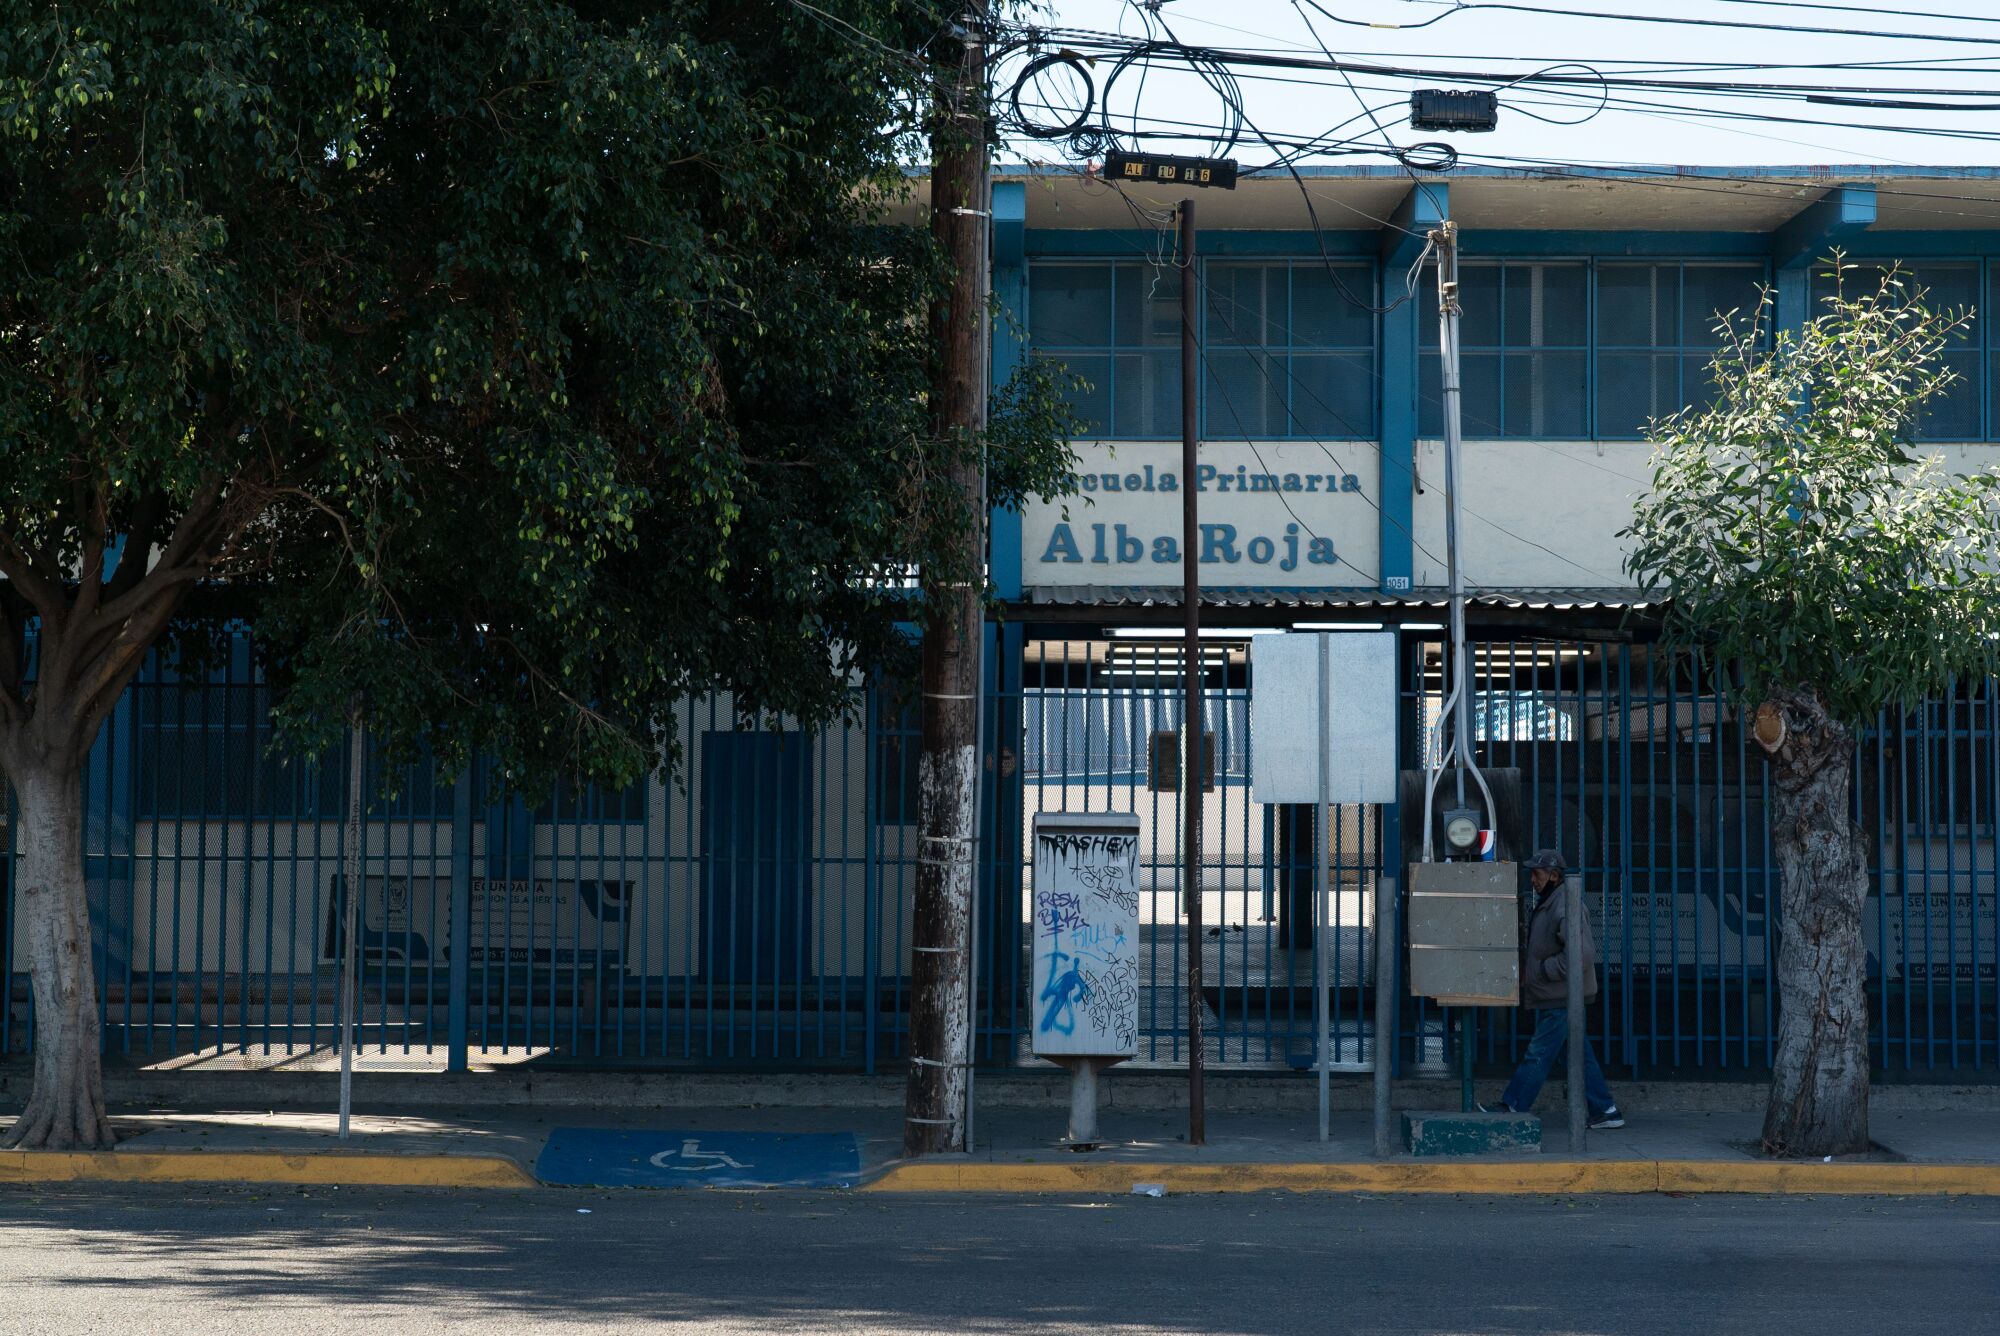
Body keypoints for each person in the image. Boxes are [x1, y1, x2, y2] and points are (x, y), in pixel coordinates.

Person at [1479, 850, 1624, 1129]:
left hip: (1560, 996)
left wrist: (1542, 971)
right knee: (1578, 1053)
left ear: (1555, 876)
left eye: (1538, 874)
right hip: (1559, 993)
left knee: (1539, 1051)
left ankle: (1513, 1105)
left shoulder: (1563, 904)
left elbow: (1580, 954)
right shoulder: (1552, 901)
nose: (1533, 879)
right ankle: (1606, 1110)